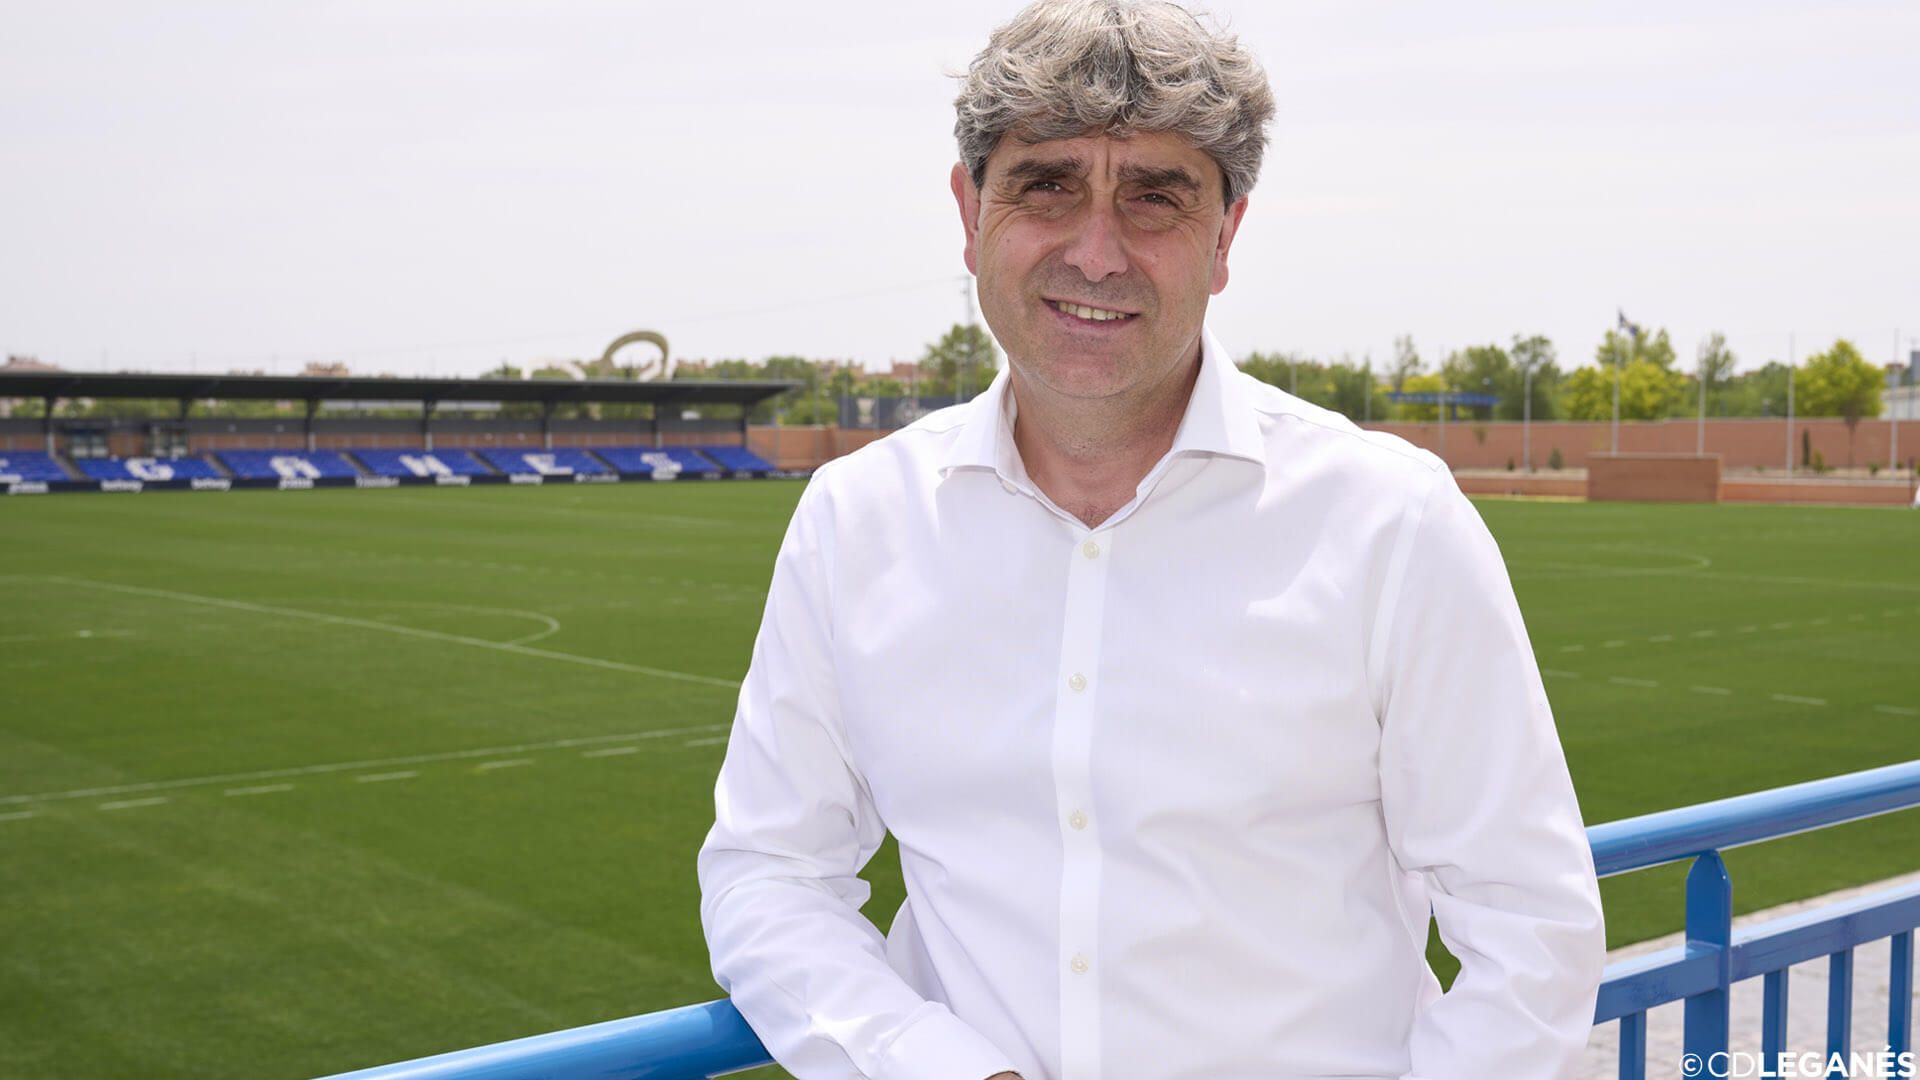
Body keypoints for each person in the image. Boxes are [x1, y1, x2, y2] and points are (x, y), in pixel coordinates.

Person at [697, 1, 1606, 1077]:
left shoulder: (1389, 523)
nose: (1097, 251)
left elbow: (1530, 930)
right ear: (969, 209)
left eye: (1155, 197)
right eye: (1047, 184)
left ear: (1225, 237)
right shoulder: (857, 523)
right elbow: (770, 874)